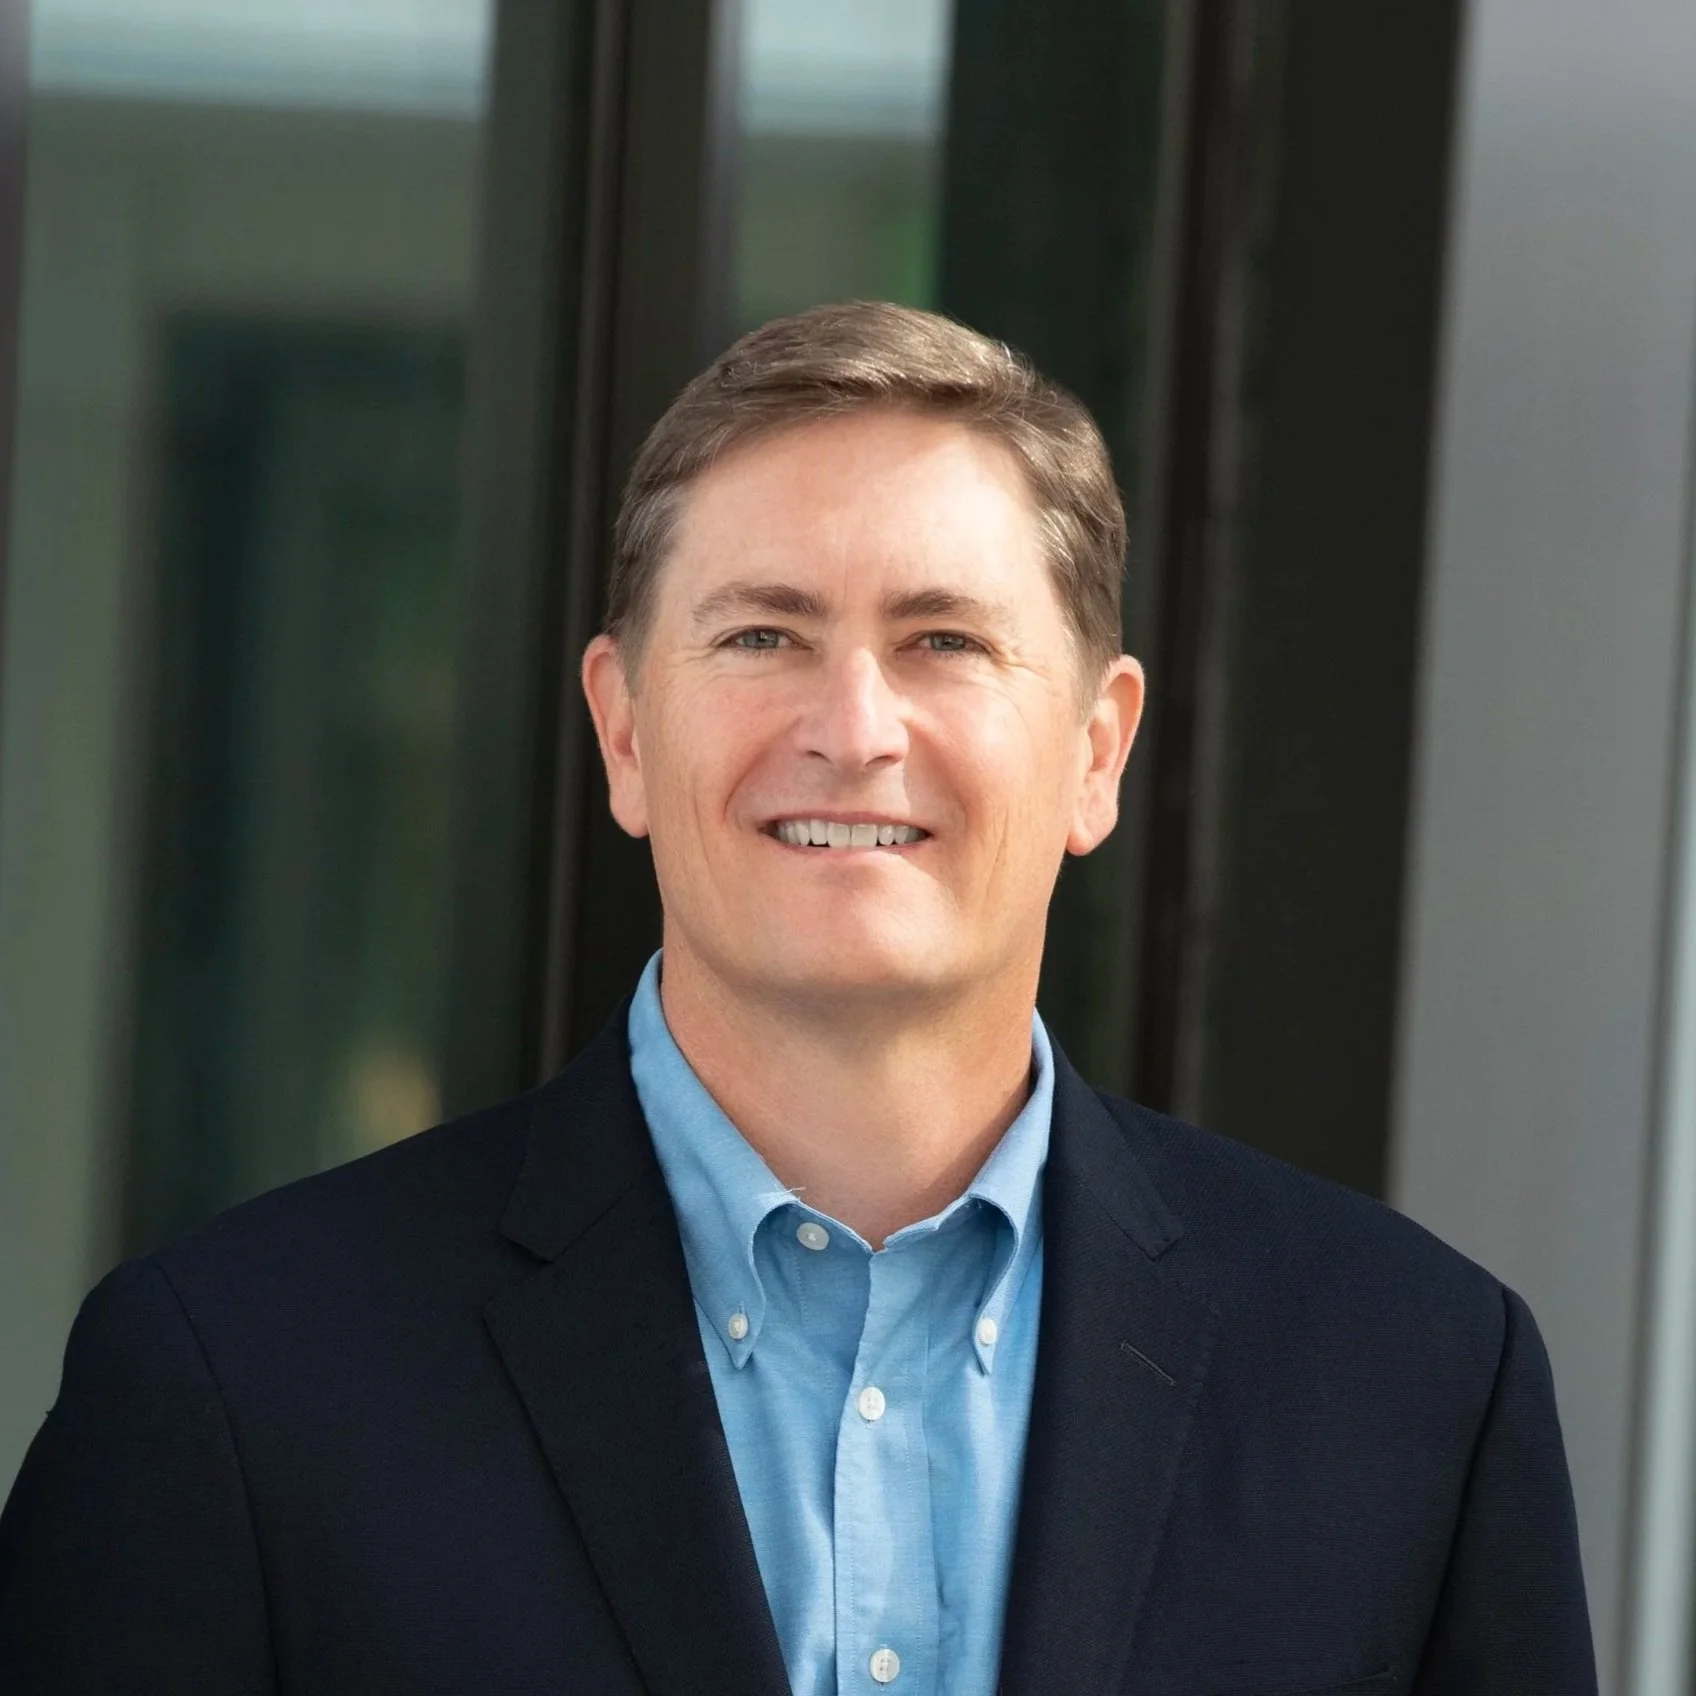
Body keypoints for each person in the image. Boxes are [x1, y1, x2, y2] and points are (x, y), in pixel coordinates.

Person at [0, 302, 1595, 1695]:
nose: (854, 725)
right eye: (764, 633)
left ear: (1099, 752)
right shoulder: (236, 1384)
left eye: (944, 641)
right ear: (625, 732)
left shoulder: (1417, 1386)